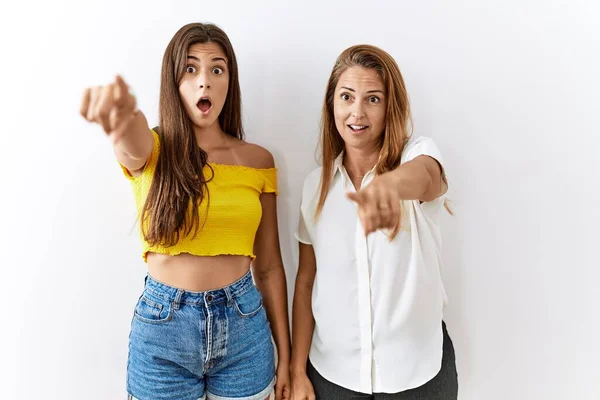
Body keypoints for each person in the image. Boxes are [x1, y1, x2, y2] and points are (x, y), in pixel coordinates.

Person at [79, 23, 290, 400]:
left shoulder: (258, 161)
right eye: (190, 69)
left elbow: (271, 267)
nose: (204, 82)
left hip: (245, 330)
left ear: (230, 80)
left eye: (217, 69)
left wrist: (287, 361)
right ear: (173, 81)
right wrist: (121, 118)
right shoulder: (155, 148)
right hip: (164, 330)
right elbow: (133, 141)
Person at [290, 44, 458, 400]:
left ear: (389, 107)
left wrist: (388, 186)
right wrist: (296, 369)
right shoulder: (314, 187)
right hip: (333, 378)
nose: (357, 111)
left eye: (373, 99)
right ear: (331, 103)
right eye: (347, 96)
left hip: (418, 378)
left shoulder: (417, 156)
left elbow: (427, 176)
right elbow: (306, 283)